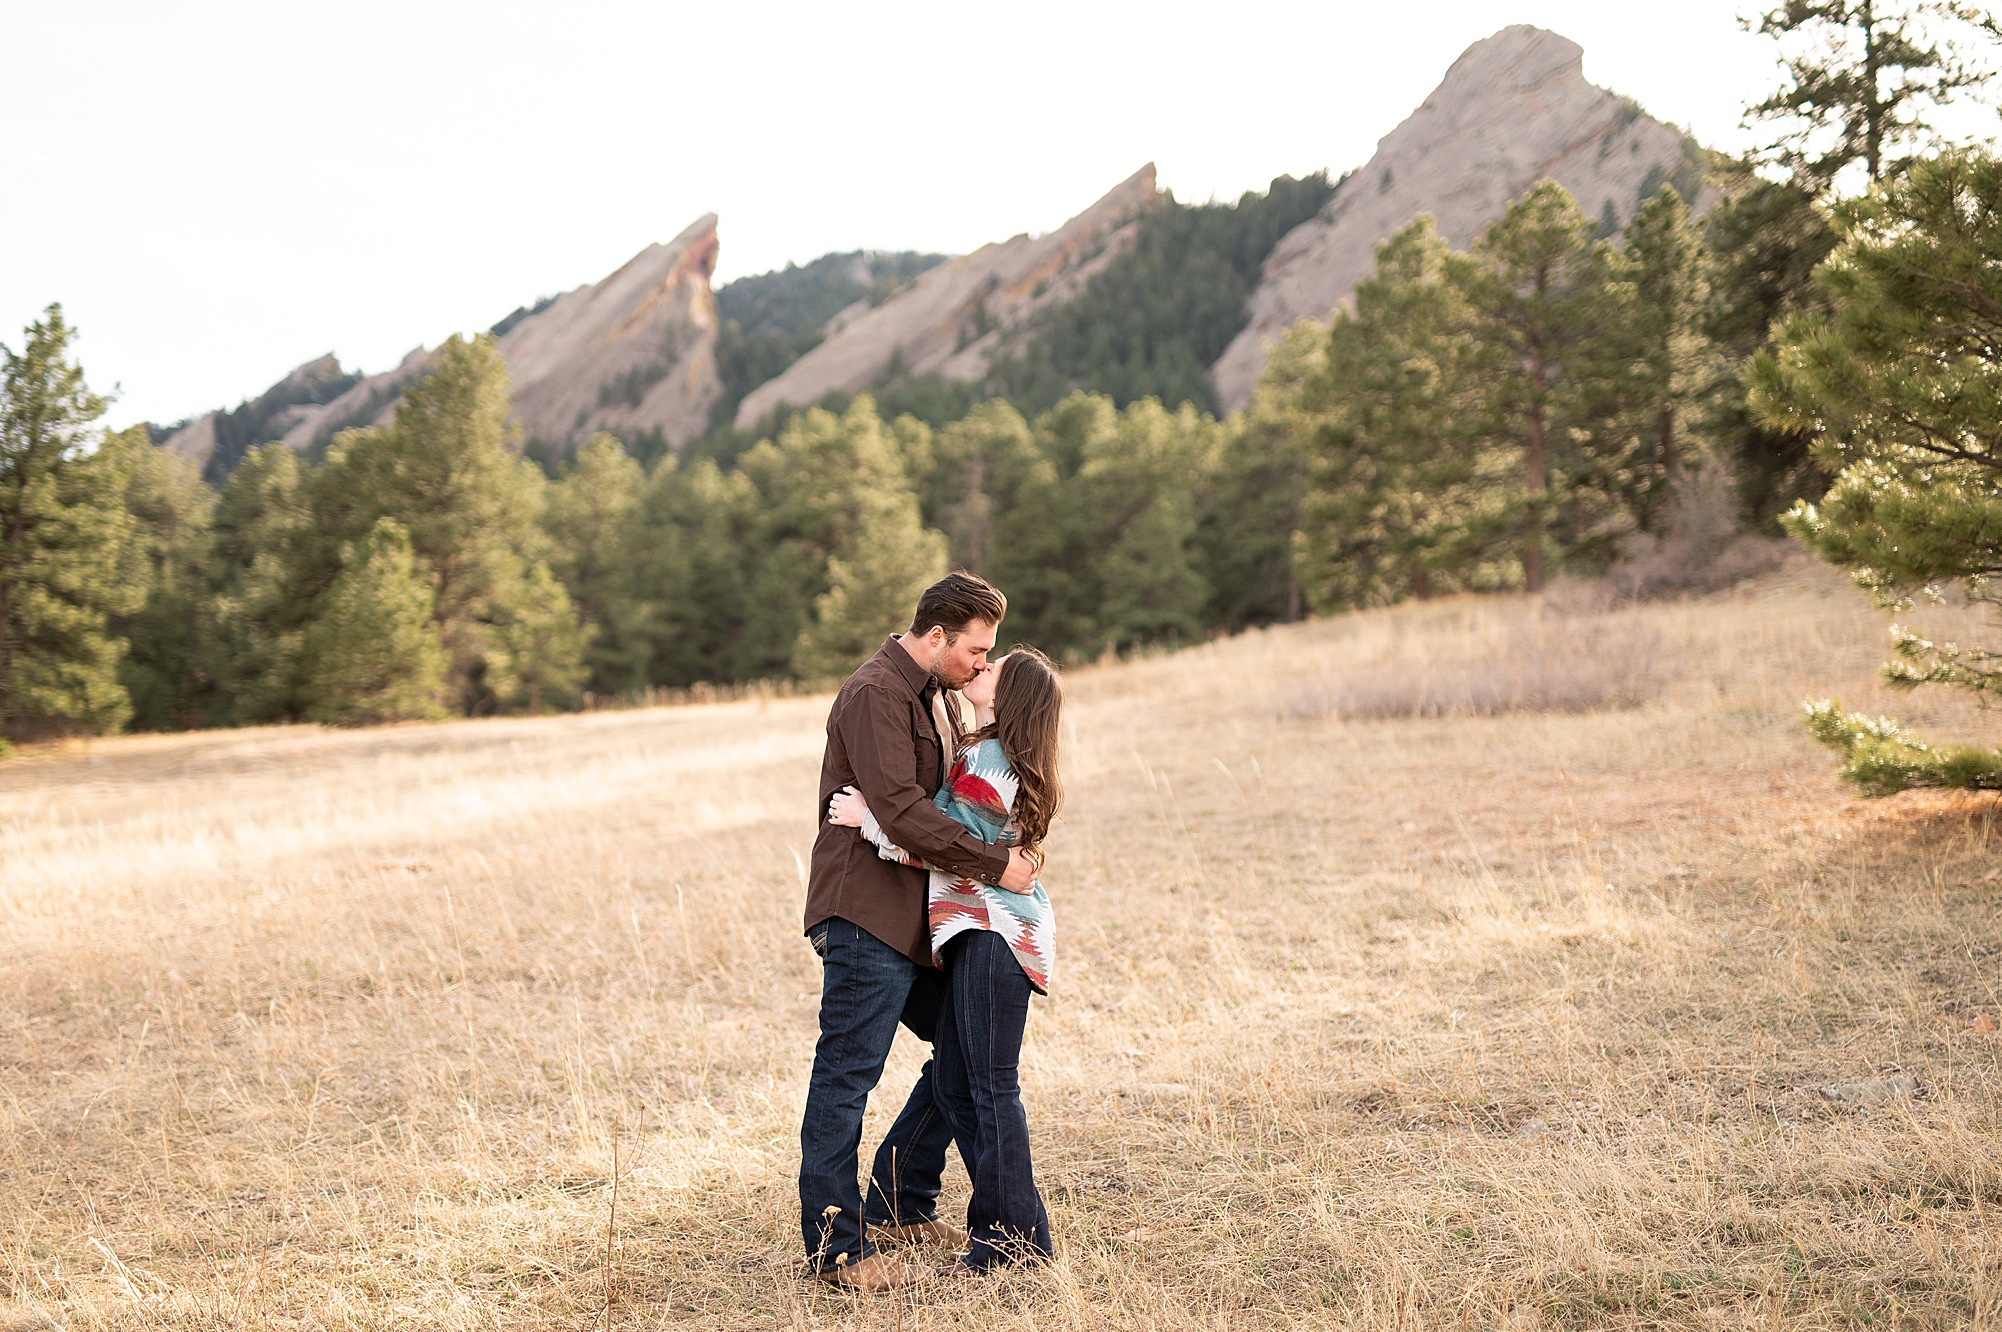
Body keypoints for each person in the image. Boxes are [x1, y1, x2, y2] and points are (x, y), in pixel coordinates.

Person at [798, 572, 1037, 1292]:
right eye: (976, 649)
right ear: (937, 635)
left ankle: (902, 1202)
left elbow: (952, 803)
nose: (981, 663)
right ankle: (837, 1252)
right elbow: (902, 812)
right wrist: (998, 866)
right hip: (866, 914)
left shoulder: (935, 694)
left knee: (962, 1053)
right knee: (847, 1077)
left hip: (916, 919)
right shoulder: (876, 693)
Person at [828, 646, 1062, 1271]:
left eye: (993, 667)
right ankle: (903, 1201)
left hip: (991, 934)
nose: (981, 667)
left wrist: (870, 820)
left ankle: (1011, 1244)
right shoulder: (984, 748)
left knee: (989, 1089)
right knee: (960, 1081)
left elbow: (949, 845)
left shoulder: (991, 759)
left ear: (1009, 698)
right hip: (982, 934)